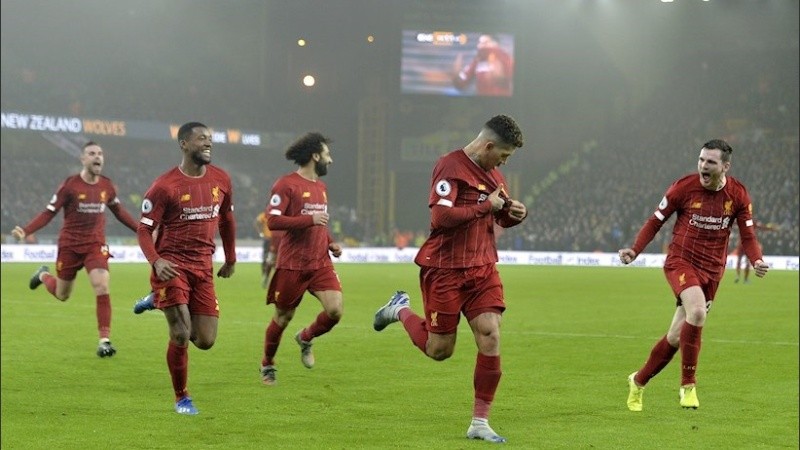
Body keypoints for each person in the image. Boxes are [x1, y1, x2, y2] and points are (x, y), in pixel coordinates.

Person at [372, 114, 526, 443]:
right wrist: (488, 206)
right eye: (504, 154)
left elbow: (497, 213)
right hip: (445, 269)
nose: (504, 161)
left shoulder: (494, 175)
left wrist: (513, 214)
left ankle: (480, 422)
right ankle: (399, 309)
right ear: (488, 145)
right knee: (439, 349)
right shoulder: (450, 166)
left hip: (483, 267)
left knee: (491, 337)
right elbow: (442, 217)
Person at [619, 139, 769, 412]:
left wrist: (756, 259)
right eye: (701, 160)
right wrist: (635, 250)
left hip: (712, 270)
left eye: (710, 162)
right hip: (681, 261)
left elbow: (748, 234)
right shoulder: (684, 187)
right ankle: (688, 385)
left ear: (725, 166)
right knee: (697, 313)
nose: (703, 166)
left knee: (677, 336)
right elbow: (655, 221)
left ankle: (638, 381)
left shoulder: (738, 195)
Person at [135, 122, 237, 415]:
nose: (208, 143)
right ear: (183, 144)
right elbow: (144, 230)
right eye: (201, 139)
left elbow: (227, 220)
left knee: (205, 340)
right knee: (180, 333)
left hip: (203, 268)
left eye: (210, 139)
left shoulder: (222, 179)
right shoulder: (164, 186)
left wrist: (230, 258)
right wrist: (156, 261)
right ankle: (182, 397)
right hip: (171, 267)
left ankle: (157, 300)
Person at [10, 141, 139, 357]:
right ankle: (42, 275)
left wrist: (140, 229)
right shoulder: (69, 186)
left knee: (102, 285)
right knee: (62, 294)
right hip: (69, 246)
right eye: (92, 153)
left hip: (95, 245)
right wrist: (26, 230)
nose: (97, 157)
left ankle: (104, 341)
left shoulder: (107, 186)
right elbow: (48, 212)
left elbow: (120, 212)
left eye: (100, 153)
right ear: (83, 159)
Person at [259, 132, 342, 386]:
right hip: (293, 264)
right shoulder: (285, 185)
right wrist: (309, 220)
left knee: (335, 311)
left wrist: (330, 243)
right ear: (315, 156)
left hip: (320, 263)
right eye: (327, 155)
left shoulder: (321, 187)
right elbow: (273, 221)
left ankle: (306, 337)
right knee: (282, 318)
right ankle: (267, 365)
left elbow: (320, 222)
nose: (331, 160)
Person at [254, 210, 276, 288]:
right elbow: (257, 222)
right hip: (268, 239)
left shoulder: (278, 215)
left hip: (276, 239)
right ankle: (265, 276)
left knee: (274, 259)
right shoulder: (265, 215)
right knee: (266, 258)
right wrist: (261, 233)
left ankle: (273, 278)